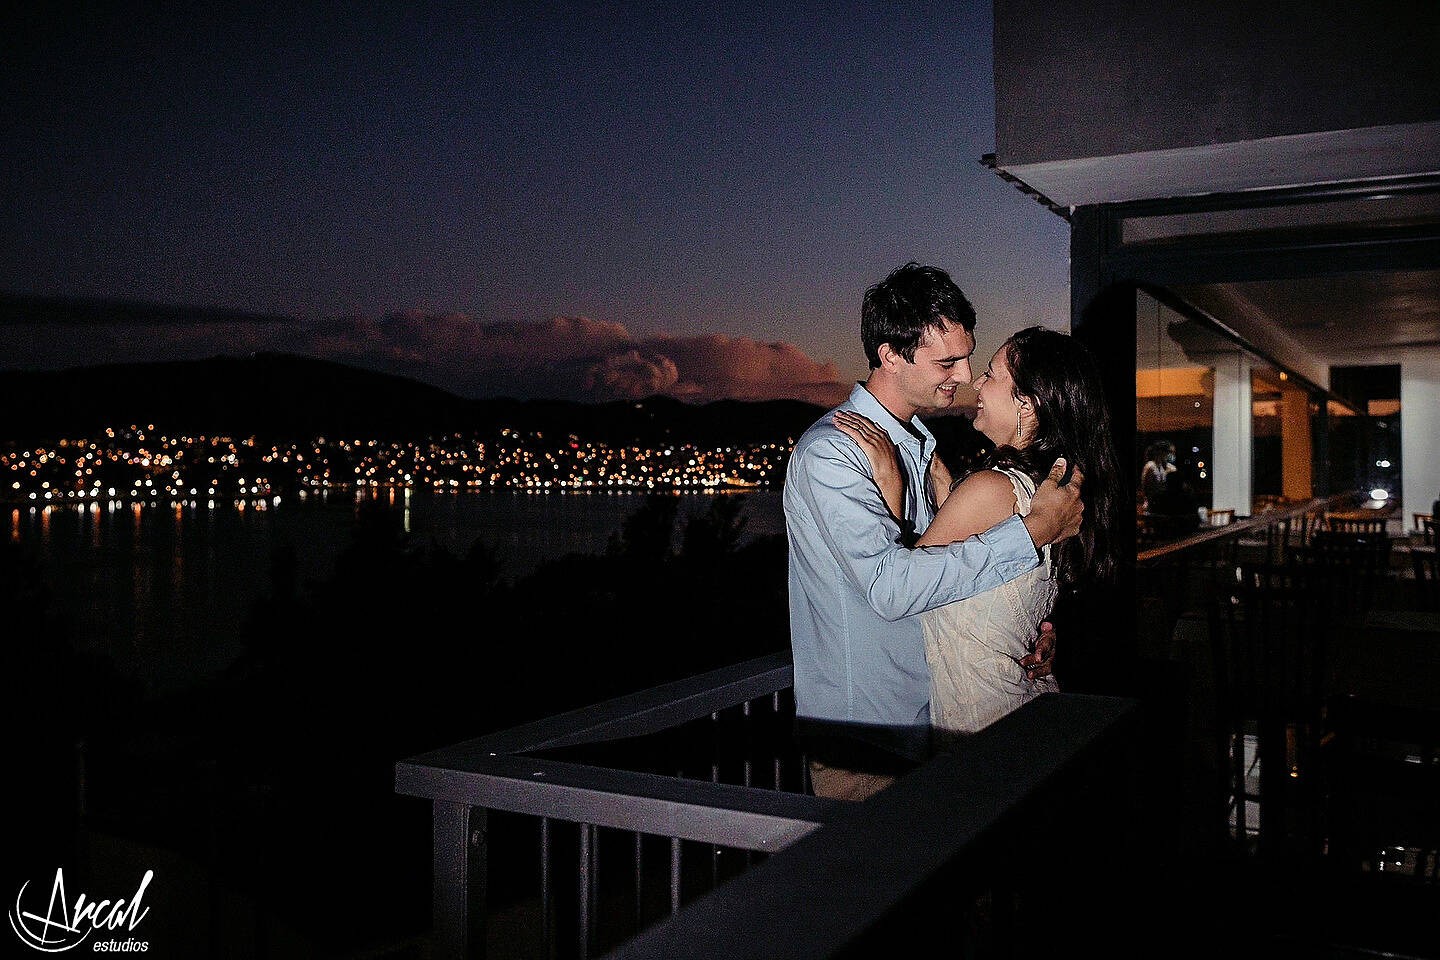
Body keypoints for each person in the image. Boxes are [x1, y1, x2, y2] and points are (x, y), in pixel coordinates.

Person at [784, 263, 1084, 801]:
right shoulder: (832, 453)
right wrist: (1031, 532)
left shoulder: (920, 447)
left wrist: (1014, 631)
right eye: (948, 361)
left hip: (937, 725)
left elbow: (947, 576)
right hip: (871, 740)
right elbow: (890, 587)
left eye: (970, 358)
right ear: (890, 354)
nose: (966, 376)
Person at [837, 327, 1123, 746]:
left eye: (990, 375)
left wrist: (889, 484)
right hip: (1025, 708)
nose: (976, 383)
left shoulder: (991, 490)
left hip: (984, 727)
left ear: (1026, 403)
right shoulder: (1051, 492)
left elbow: (898, 591)